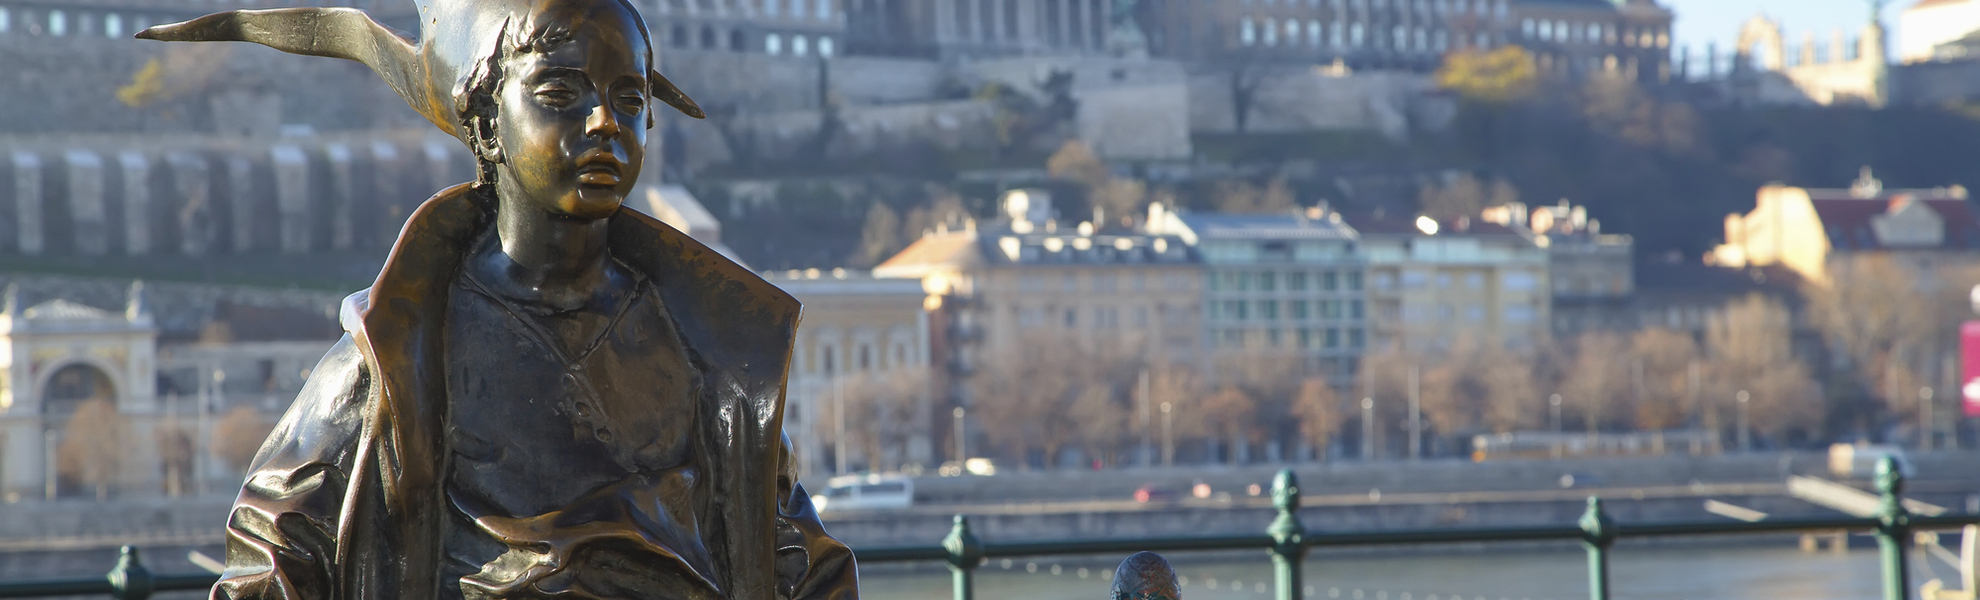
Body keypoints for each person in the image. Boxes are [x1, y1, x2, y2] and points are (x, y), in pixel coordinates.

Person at [136, 2, 858, 599]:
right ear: (485, 121)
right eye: (559, 95)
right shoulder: (392, 360)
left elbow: (802, 566)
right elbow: (269, 566)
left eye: (629, 99)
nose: (606, 123)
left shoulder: (714, 355)